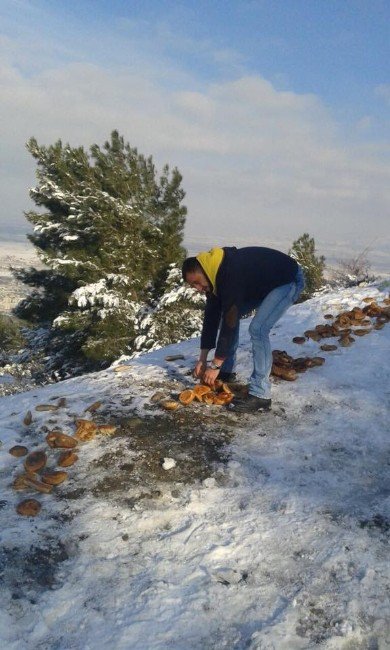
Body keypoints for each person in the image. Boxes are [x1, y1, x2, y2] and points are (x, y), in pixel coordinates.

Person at [182, 246, 305, 413]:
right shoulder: (212, 276)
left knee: (258, 329)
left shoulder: (229, 275)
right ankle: (227, 371)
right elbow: (211, 318)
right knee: (224, 317)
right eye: (192, 285)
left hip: (287, 280)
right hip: (263, 284)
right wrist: (202, 359)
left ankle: (261, 395)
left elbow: (230, 322)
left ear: (203, 271)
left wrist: (215, 364)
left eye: (197, 282)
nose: (197, 288)